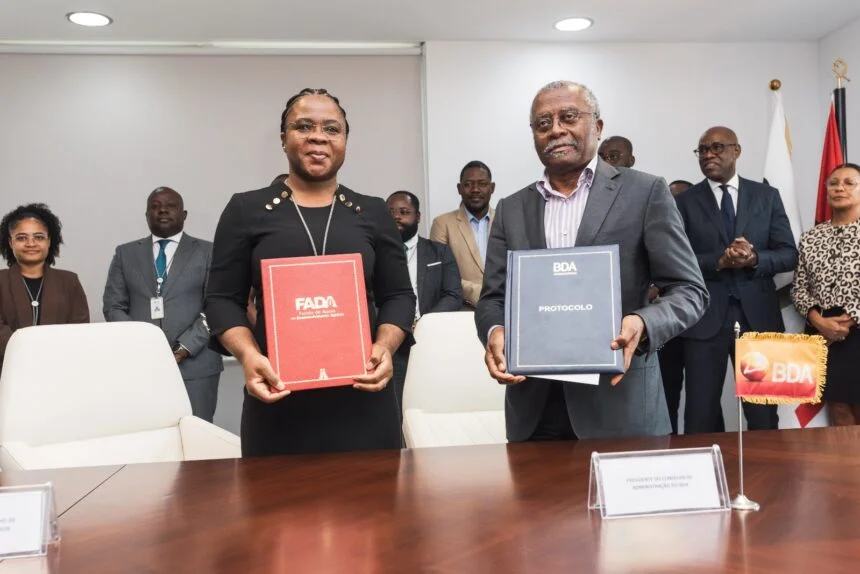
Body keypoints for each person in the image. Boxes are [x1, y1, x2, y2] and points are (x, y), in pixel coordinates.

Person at [475, 81, 708, 441]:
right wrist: (495, 331)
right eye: (543, 123)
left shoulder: (645, 192)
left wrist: (642, 323)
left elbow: (690, 291)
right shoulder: (511, 209)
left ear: (597, 127)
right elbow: (492, 298)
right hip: (535, 408)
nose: (556, 129)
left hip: (620, 404)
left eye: (569, 117)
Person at [204, 88, 416, 456]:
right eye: (304, 126)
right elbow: (222, 299)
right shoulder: (245, 210)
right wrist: (248, 357)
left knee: (375, 495)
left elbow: (398, 295)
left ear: (345, 141)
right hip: (277, 398)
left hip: (364, 398)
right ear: (283, 138)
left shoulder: (372, 212)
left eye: (332, 129)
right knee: (276, 495)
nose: (318, 136)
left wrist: (385, 347)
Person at [675, 126, 797, 434]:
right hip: (704, 320)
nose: (708, 155)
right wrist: (719, 261)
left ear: (736, 151)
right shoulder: (684, 201)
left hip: (759, 318)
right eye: (702, 150)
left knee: (764, 417)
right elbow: (676, 260)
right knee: (700, 415)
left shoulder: (766, 196)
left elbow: (788, 254)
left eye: (717, 147)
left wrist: (754, 258)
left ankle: (766, 469)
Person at [103, 187, 223, 422]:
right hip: (141, 364)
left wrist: (183, 349)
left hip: (197, 365)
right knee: (147, 431)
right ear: (147, 215)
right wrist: (143, 344)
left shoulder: (209, 251)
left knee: (197, 433)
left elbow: (216, 305)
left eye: (171, 206)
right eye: (155, 206)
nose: (163, 210)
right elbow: (113, 305)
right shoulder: (125, 253)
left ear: (184, 214)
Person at [792, 163, 860, 425]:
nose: (839, 188)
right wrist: (818, 321)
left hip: (855, 328)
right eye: (833, 183)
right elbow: (799, 288)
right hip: (823, 334)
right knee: (838, 408)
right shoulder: (811, 238)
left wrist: (850, 319)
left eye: (849, 183)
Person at [386, 190, 462, 410]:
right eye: (391, 212)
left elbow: (453, 295)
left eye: (404, 212)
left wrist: (424, 324)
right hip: (392, 343)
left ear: (418, 216)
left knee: (432, 404)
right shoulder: (376, 253)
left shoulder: (439, 252)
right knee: (395, 407)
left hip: (431, 341)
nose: (396, 217)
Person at [0, 203, 89, 371]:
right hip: (7, 369)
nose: (31, 243)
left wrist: (49, 355)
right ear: (11, 243)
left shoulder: (69, 281)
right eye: (22, 238)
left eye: (39, 237)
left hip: (59, 368)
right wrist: (26, 353)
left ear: (49, 241)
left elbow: (79, 329)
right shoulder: (1, 280)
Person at [430, 160, 495, 308]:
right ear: (459, 189)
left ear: (492, 188)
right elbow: (439, 273)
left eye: (482, 184)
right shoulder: (442, 223)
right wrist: (478, 293)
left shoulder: (505, 220)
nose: (475, 189)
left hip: (504, 308)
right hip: (462, 310)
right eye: (468, 184)